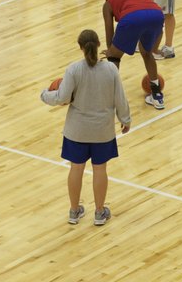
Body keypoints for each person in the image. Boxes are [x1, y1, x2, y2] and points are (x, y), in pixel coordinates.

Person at [41, 29, 130, 226]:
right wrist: (125, 118)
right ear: (99, 45)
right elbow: (120, 98)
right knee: (100, 170)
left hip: (77, 130)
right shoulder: (111, 70)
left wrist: (44, 95)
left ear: (80, 47)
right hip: (102, 131)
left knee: (76, 169)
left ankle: (74, 211)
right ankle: (99, 212)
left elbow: (62, 97)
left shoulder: (73, 70)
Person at [102, 0, 167, 109]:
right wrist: (154, 48)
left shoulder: (109, 1)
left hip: (132, 17)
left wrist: (111, 49)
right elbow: (150, 16)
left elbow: (109, 28)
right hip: (157, 15)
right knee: (147, 54)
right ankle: (157, 96)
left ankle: (109, 97)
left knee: (114, 57)